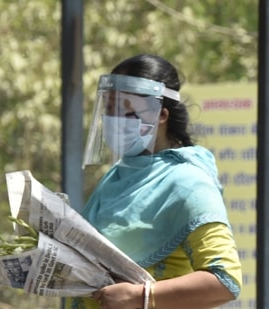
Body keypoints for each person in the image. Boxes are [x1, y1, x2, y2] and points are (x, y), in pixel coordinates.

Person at [66, 54, 242, 309]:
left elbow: (225, 281)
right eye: (108, 110)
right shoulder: (116, 176)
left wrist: (141, 297)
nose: (112, 120)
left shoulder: (188, 182)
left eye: (124, 109)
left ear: (161, 114)